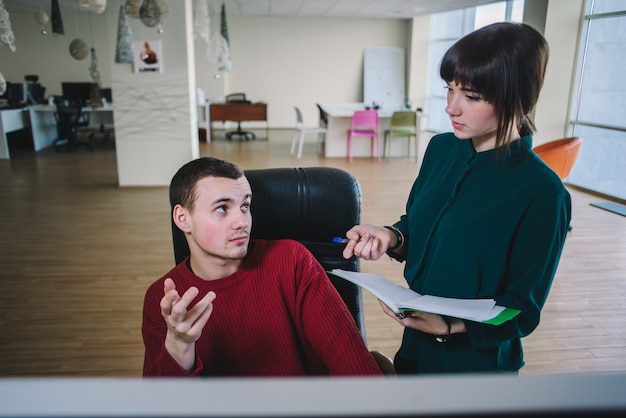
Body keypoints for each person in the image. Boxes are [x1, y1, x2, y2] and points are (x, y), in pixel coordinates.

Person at [342, 22, 571, 374]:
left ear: (518, 98)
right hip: (415, 346)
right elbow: (420, 229)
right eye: (450, 90)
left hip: (478, 366)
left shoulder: (542, 192)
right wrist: (391, 237)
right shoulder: (441, 148)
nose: (451, 107)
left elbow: (523, 309)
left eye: (472, 96)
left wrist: (449, 326)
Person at [142, 157, 383, 377]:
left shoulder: (292, 262)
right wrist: (178, 347)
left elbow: (353, 362)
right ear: (183, 218)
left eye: (245, 206)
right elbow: (161, 405)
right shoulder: (164, 301)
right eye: (222, 208)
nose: (242, 222)